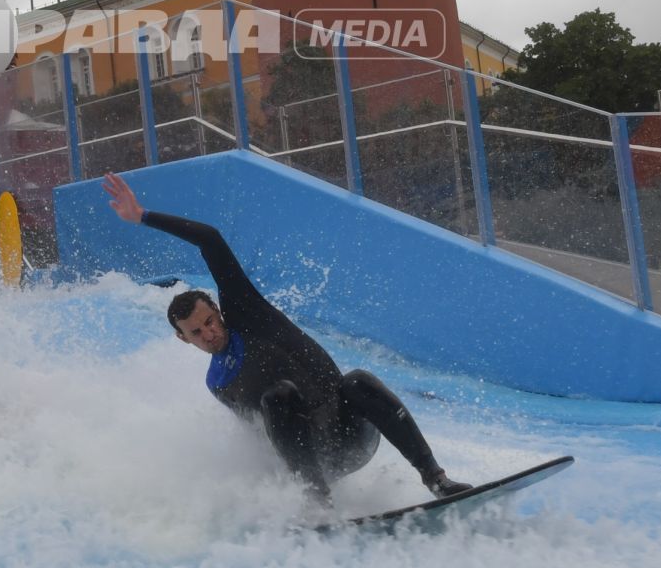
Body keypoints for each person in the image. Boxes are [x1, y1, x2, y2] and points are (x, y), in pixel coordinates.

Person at [100, 171, 470, 506]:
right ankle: (318, 505)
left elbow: (210, 239)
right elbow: (264, 440)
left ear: (219, 311)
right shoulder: (218, 382)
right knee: (277, 398)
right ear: (184, 340)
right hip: (318, 459)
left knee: (358, 381)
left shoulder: (247, 313)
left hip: (353, 435)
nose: (209, 333)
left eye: (210, 321)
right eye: (197, 332)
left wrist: (143, 216)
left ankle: (437, 480)